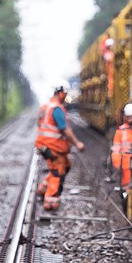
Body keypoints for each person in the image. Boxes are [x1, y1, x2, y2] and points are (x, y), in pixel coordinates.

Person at [35, 83, 85, 211]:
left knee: (66, 166)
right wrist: (77, 143)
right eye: (65, 94)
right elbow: (65, 130)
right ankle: (50, 200)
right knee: (58, 172)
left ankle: (43, 187)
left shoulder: (46, 107)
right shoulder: (56, 109)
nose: (66, 97)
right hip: (52, 146)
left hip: (45, 145)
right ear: (60, 93)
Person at [111, 103, 132, 218]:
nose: (131, 120)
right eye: (129, 117)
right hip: (125, 168)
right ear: (125, 117)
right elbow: (116, 150)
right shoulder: (121, 131)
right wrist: (117, 164)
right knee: (126, 192)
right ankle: (128, 214)